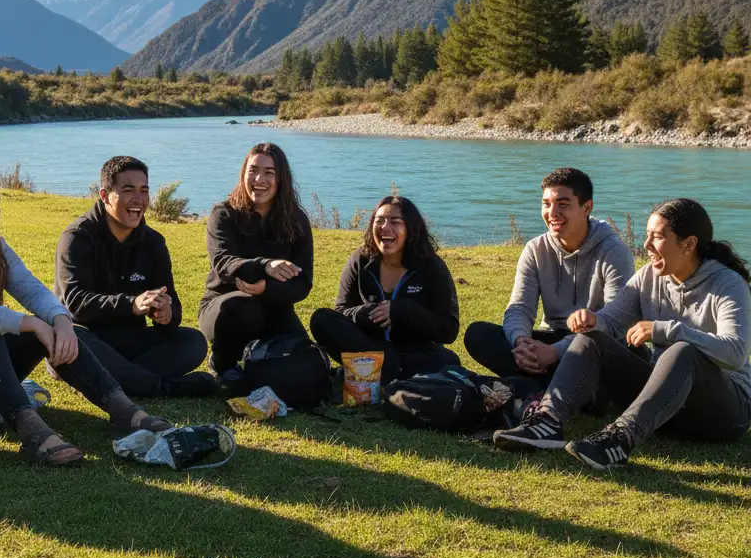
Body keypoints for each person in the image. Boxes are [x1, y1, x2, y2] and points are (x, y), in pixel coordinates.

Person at [0, 169, 171, 467]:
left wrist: (60, 321)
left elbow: (32, 289)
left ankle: (123, 411)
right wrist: (29, 323)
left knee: (49, 324)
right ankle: (33, 432)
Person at [493, 199, 751, 469]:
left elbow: (735, 353)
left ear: (688, 244)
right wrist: (591, 319)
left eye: (658, 237)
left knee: (682, 350)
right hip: (665, 408)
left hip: (723, 415)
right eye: (647, 235)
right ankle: (546, 423)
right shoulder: (648, 277)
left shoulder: (728, 284)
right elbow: (611, 321)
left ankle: (620, 439)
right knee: (590, 339)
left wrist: (667, 330)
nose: (647, 245)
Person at [53, 155, 212, 398]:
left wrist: (166, 314)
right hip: (85, 339)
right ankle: (163, 387)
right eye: (128, 190)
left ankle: (111, 379)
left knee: (194, 342)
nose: (138, 199)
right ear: (105, 196)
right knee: (72, 338)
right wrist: (132, 304)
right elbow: (75, 304)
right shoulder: (78, 237)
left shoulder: (153, 242)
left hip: (131, 343)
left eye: (144, 190)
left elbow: (174, 305)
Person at [464, 167, 634, 387]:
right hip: (550, 337)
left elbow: (614, 322)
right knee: (478, 334)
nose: (552, 213)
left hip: (592, 342)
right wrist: (521, 341)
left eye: (563, 204)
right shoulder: (535, 249)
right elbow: (520, 308)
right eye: (546, 204)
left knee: (618, 351)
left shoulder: (614, 251)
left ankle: (543, 384)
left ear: (587, 208)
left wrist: (556, 352)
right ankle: (564, 386)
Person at [310, 195, 460, 382]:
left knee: (448, 361)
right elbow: (341, 313)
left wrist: (403, 310)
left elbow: (448, 329)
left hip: (414, 351)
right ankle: (384, 371)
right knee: (321, 319)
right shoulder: (360, 260)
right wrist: (369, 312)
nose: (385, 227)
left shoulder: (431, 266)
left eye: (395, 222)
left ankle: (371, 372)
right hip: (368, 346)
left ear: (411, 229)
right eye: (379, 221)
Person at [199, 142, 313, 378]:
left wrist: (266, 289)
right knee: (244, 306)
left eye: (269, 172)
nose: (259, 179)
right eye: (253, 170)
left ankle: (258, 358)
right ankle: (223, 361)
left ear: (281, 178)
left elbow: (302, 284)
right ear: (243, 173)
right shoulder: (224, 214)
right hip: (223, 307)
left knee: (305, 355)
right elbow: (223, 263)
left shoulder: (297, 220)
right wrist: (265, 266)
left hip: (273, 307)